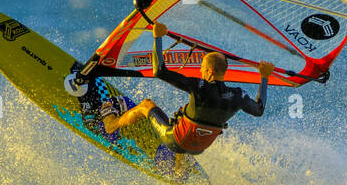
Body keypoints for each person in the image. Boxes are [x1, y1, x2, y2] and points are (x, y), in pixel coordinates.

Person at [103, 21, 273, 156]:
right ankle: (179, 164)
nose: (199, 71)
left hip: (175, 141)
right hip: (199, 149)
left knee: (146, 105)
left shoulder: (200, 87)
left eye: (202, 68)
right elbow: (259, 110)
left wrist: (158, 37)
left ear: (210, 71)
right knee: (186, 113)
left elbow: (159, 71)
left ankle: (112, 125)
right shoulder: (238, 95)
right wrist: (264, 77)